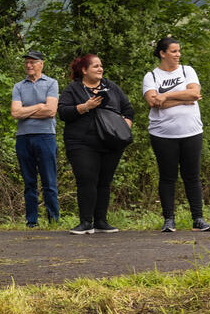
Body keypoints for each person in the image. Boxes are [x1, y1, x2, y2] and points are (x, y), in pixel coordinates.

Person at [57, 53, 135, 235]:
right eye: (95, 66)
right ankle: (86, 222)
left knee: (104, 182)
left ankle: (101, 221)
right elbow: (62, 112)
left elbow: (128, 110)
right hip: (81, 143)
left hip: (111, 142)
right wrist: (86, 107)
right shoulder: (73, 89)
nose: (100, 69)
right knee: (86, 180)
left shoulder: (111, 87)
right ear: (84, 70)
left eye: (101, 66)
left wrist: (124, 128)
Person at [143, 37, 210, 233]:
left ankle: (198, 219)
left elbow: (194, 94)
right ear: (162, 53)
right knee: (167, 177)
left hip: (191, 132)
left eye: (179, 51)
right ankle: (169, 220)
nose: (178, 54)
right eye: (173, 51)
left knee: (192, 176)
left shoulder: (187, 70)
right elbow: (153, 102)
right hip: (162, 134)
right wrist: (181, 98)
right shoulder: (151, 76)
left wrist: (165, 96)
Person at [10, 50, 60, 228]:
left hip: (46, 136)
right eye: (26, 62)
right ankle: (32, 221)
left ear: (41, 64)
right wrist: (39, 106)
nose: (28, 65)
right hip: (23, 138)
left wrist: (27, 111)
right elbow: (15, 113)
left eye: (32, 62)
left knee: (49, 180)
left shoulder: (51, 83)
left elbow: (51, 111)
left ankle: (54, 220)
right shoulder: (18, 86)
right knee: (29, 181)